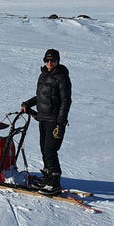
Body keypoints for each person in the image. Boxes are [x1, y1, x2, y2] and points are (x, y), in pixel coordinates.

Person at [21, 49, 72, 195]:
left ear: (58, 61)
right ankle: (48, 178)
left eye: (53, 60)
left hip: (55, 121)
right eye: (47, 60)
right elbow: (41, 97)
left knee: (50, 151)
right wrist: (27, 103)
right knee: (44, 150)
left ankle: (54, 182)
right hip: (42, 118)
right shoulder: (43, 75)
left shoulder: (62, 78)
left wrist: (60, 122)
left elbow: (66, 101)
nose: (49, 63)